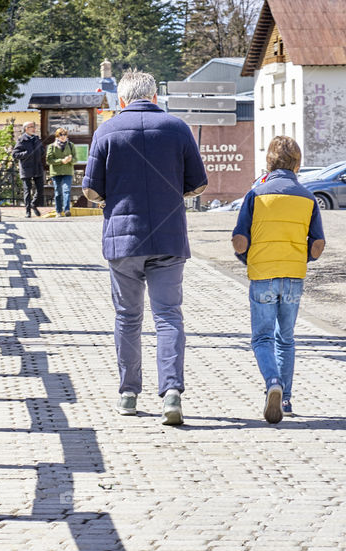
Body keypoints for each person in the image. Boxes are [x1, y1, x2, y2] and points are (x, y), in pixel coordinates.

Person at [81, 70, 207, 425]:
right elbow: (197, 184)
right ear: (154, 97)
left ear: (121, 100)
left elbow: (91, 191)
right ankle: (171, 393)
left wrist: (111, 199)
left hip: (123, 239)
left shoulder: (105, 131)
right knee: (168, 315)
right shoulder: (178, 128)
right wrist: (172, 194)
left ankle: (128, 394)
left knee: (127, 317)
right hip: (168, 237)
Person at [231, 136, 325, 423]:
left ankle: (273, 382)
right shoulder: (308, 198)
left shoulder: (256, 195)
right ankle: (285, 400)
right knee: (287, 339)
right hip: (294, 277)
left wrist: (244, 256)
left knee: (262, 337)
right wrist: (303, 257)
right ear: (298, 164)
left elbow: (239, 241)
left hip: (262, 275)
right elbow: (318, 245)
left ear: (268, 162)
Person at [12, 121, 45, 217]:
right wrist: (26, 154)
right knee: (27, 190)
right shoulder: (21, 140)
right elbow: (15, 154)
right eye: (31, 127)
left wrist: (40, 153)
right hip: (26, 169)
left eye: (34, 126)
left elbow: (42, 151)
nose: (34, 128)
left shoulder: (36, 139)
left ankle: (33, 204)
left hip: (37, 167)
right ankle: (28, 211)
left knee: (40, 189)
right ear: (26, 128)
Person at [46, 127, 76, 217]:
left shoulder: (71, 145)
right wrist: (61, 161)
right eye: (61, 135)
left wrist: (70, 160)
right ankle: (58, 211)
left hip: (68, 172)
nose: (63, 137)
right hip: (56, 172)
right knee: (58, 192)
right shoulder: (52, 146)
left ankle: (67, 210)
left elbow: (75, 159)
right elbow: (49, 160)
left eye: (65, 135)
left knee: (66, 190)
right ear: (57, 136)